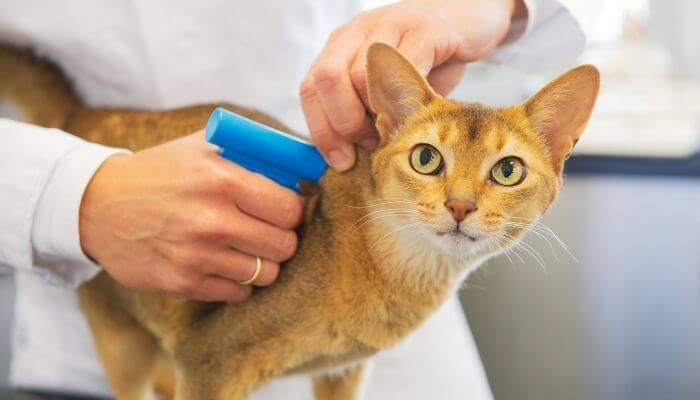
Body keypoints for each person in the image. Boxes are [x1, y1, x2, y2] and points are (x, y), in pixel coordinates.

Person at [0, 0, 584, 398]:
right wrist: (70, 194)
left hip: (395, 301)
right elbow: (209, 359)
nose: (461, 201)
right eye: (432, 164)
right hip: (85, 296)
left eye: (505, 172)